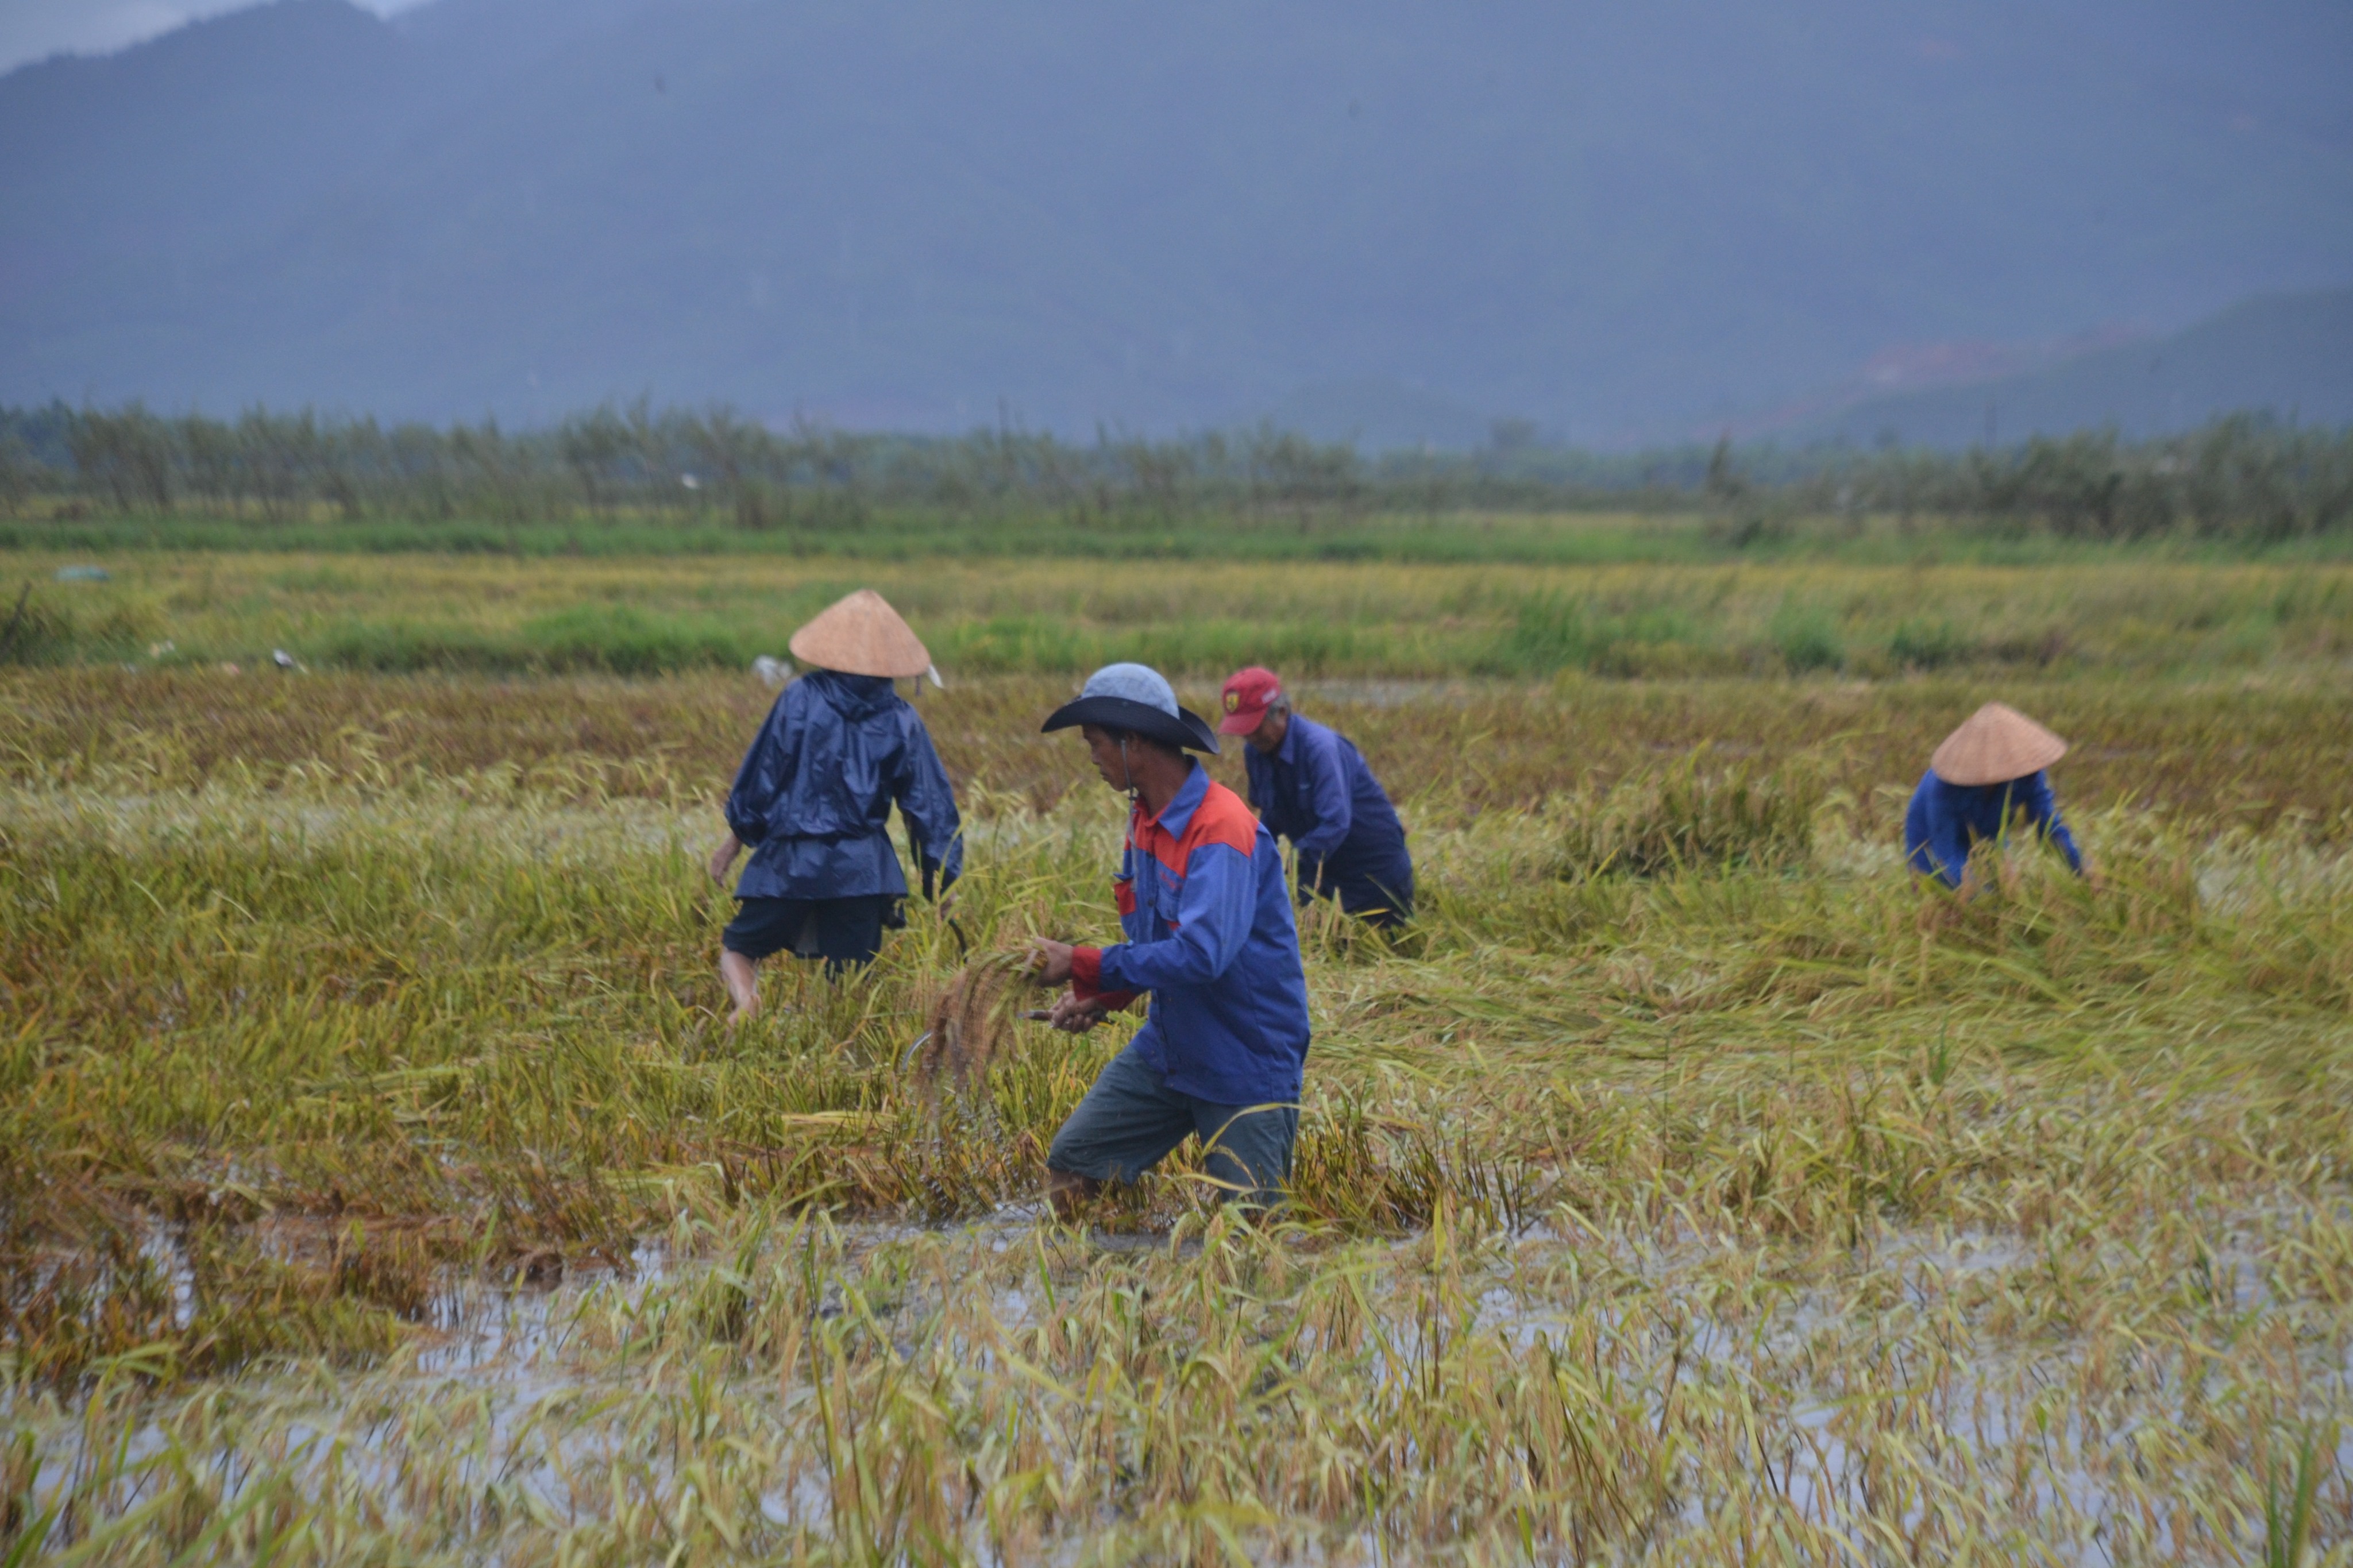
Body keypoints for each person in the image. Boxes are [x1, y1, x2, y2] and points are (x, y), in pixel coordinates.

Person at [1027, 663, 1314, 1218]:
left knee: (1252, 1229)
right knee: (1075, 1167)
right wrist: (1103, 994)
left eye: (1095, 743)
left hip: (1244, 1057)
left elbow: (1201, 955)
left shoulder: (1221, 829)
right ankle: (1127, 1288)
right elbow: (1155, 943)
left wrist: (1080, 964)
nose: (1091, 757)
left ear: (1133, 743)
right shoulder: (1144, 820)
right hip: (1172, 1046)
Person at [707, 589, 962, 1021]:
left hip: (789, 861)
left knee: (739, 949)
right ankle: (836, 1059)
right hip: (860, 872)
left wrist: (732, 843)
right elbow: (929, 809)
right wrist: (941, 883)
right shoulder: (902, 719)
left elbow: (763, 775)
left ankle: (747, 1003)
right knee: (851, 988)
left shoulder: (798, 698)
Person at [1218, 666, 1414, 928]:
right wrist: (1249, 861)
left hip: (1373, 877)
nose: (1249, 736)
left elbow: (1335, 823)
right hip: (1322, 871)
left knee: (1361, 951)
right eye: (1243, 729)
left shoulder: (1320, 749)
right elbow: (1270, 815)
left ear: (1282, 713)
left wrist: (1290, 869)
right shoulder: (1256, 752)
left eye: (1254, 727)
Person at [1904, 701, 2092, 890]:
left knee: (2000, 885)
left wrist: (2083, 869)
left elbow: (2049, 826)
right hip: (1931, 844)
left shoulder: (2028, 775)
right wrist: (1980, 896)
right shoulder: (1945, 786)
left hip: (1988, 838)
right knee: (1939, 892)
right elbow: (1945, 854)